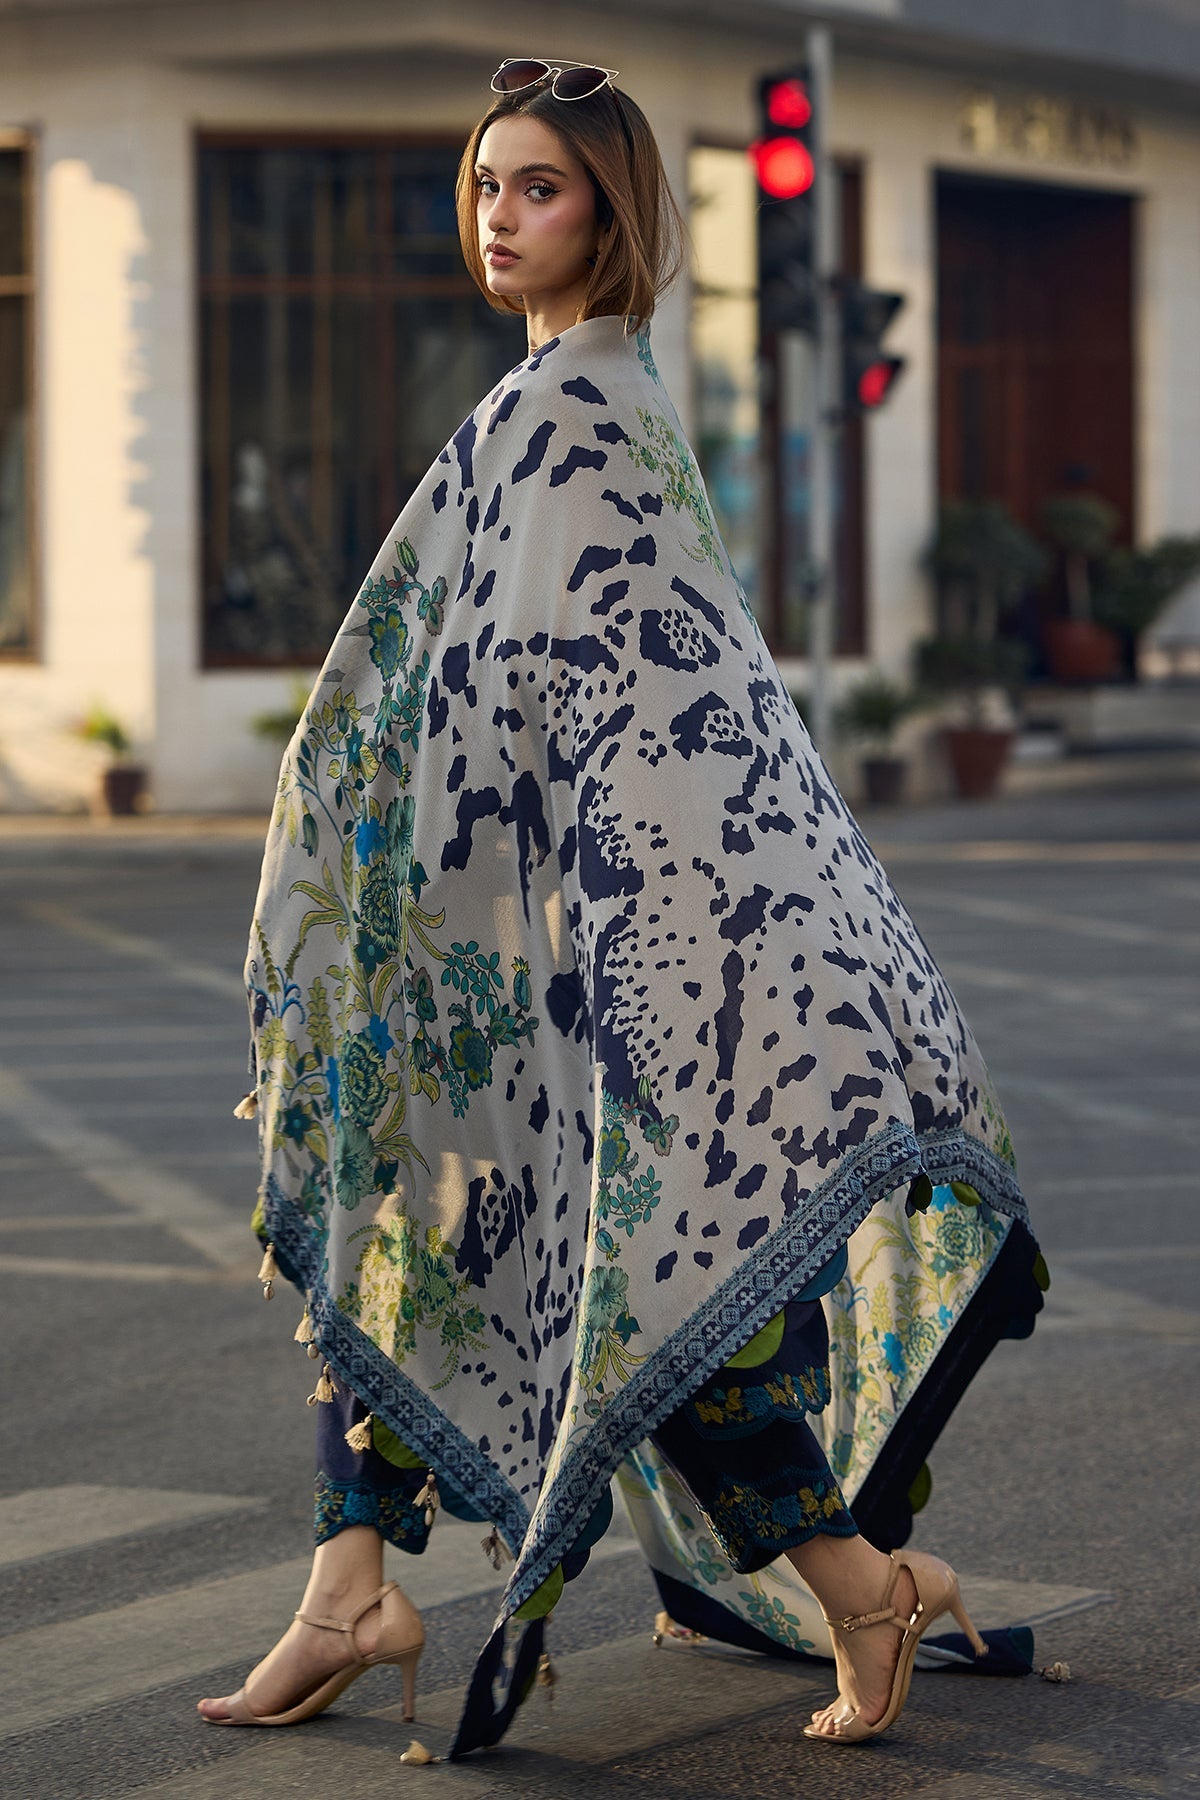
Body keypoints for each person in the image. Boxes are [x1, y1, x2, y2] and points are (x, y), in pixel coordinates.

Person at [198, 57, 1043, 1757]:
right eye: (487, 184)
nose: (501, 217)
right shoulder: (551, 397)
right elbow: (481, 683)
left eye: (542, 188)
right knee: (408, 1219)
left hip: (652, 960)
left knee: (659, 1290)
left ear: (615, 213)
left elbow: (637, 713)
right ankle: (347, 1586)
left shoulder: (585, 414)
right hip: (540, 954)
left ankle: (863, 1585)